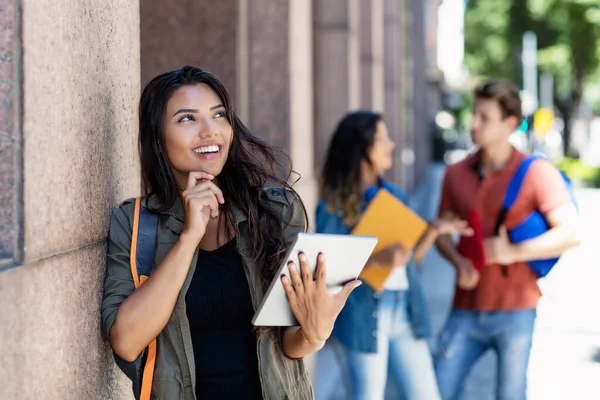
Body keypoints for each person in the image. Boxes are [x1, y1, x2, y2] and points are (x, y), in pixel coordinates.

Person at [101, 66, 361, 399]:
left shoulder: (275, 211)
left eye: (219, 115)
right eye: (187, 119)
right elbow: (126, 341)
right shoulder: (135, 223)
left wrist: (315, 332)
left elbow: (288, 345)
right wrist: (189, 237)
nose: (210, 131)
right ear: (158, 139)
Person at [434, 79, 580, 400]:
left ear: (510, 123)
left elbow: (571, 232)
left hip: (516, 310)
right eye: (474, 114)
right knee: (436, 391)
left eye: (484, 117)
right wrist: (457, 260)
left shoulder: (536, 172)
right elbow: (440, 231)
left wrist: (511, 251)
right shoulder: (455, 173)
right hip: (464, 308)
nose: (474, 124)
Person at [315, 110, 472, 400]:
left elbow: (409, 265)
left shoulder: (395, 195)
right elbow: (327, 271)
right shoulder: (332, 206)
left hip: (404, 310)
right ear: (361, 148)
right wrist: (376, 261)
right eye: (382, 138)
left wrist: (432, 231)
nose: (391, 144)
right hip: (361, 317)